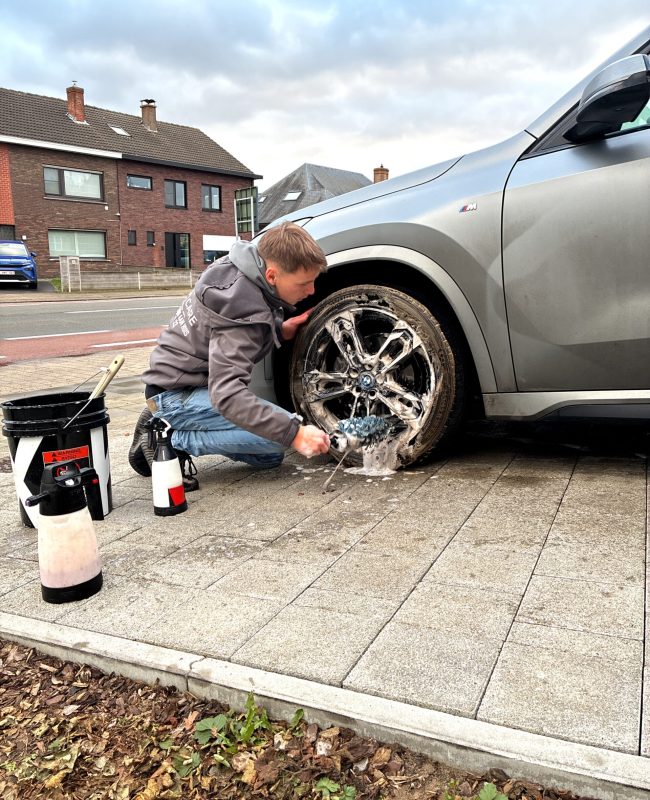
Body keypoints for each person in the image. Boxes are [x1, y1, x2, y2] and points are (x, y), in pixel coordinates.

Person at [128, 221, 331, 491]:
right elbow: (227, 395)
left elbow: (224, 337)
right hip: (175, 393)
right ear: (272, 276)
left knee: (271, 456)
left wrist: (279, 331)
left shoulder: (244, 269)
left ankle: (169, 422)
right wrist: (296, 434)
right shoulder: (239, 307)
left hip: (188, 384)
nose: (311, 291)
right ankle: (167, 437)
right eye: (304, 283)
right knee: (281, 436)